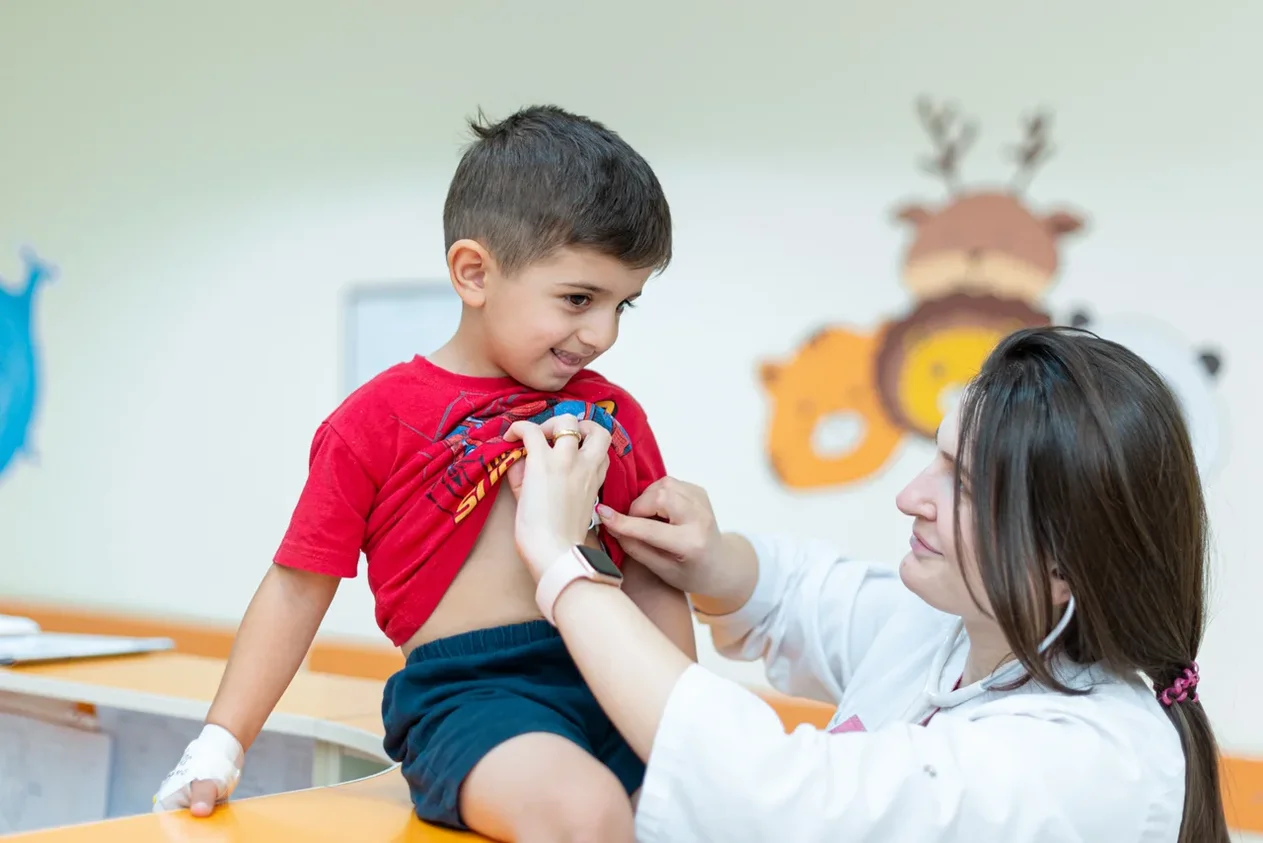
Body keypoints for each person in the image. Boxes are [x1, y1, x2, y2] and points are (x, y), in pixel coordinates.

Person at [152, 104, 697, 842]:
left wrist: (685, 722)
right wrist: (219, 742)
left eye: (621, 304)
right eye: (578, 299)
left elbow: (654, 571)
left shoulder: (613, 414)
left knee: (713, 810)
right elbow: (295, 585)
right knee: (585, 812)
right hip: (473, 698)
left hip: (615, 678)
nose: (601, 334)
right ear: (474, 273)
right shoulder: (375, 420)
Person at [501, 325, 1230, 842]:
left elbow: (770, 793)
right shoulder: (961, 634)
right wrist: (714, 560)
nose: (911, 495)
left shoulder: (1085, 763)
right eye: (937, 456)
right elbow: (809, 594)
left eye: (964, 484)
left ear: (1063, 563)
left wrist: (563, 562)